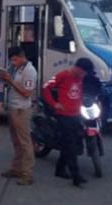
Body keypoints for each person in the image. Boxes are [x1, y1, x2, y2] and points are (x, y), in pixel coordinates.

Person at [42, 58, 95, 187]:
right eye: (83, 72)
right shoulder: (63, 75)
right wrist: (55, 104)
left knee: (72, 143)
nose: (83, 75)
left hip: (76, 115)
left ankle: (60, 169)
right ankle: (76, 176)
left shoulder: (81, 78)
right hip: (64, 116)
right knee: (70, 146)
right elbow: (45, 87)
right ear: (78, 68)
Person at [0, 47, 36, 186]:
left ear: (21, 57)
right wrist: (5, 79)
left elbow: (27, 92)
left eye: (15, 59)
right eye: (11, 60)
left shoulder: (29, 71)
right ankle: (16, 168)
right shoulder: (16, 69)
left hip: (21, 110)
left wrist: (11, 81)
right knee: (16, 141)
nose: (13, 62)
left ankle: (27, 174)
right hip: (12, 108)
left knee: (25, 142)